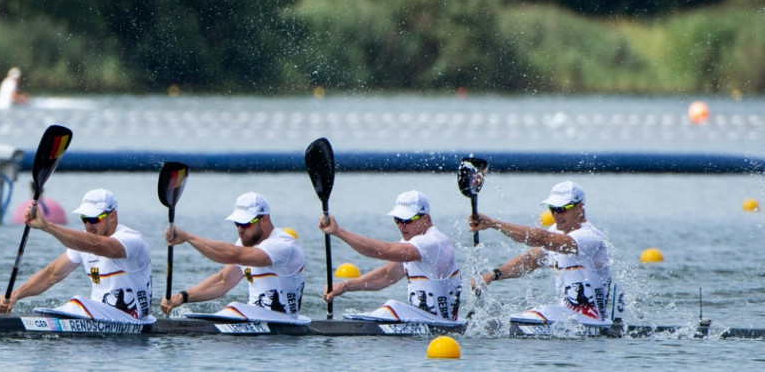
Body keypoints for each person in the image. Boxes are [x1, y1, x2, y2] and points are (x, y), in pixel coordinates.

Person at [0, 188, 154, 323]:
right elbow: (52, 274)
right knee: (46, 311)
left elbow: (96, 245)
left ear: (112, 216)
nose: (88, 225)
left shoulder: (132, 240)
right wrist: (15, 295)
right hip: (100, 321)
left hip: (134, 321)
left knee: (77, 302)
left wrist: (46, 226)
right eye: (84, 219)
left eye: (94, 219)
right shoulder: (83, 242)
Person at [468, 181, 613, 325]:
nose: (556, 214)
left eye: (563, 208)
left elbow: (540, 238)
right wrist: (493, 274)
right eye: (553, 208)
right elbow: (530, 260)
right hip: (567, 316)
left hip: (591, 318)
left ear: (580, 207)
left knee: (523, 316)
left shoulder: (589, 236)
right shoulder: (555, 230)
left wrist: (494, 224)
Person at [319, 190, 462, 323]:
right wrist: (344, 286)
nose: (401, 225)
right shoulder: (412, 242)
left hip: (441, 325)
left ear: (425, 218)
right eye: (397, 220)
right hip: (427, 324)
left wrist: (339, 232)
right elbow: (387, 276)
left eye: (407, 220)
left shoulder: (433, 242)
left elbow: (384, 251)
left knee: (392, 306)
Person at [160, 192, 306, 321]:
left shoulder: (283, 245)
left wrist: (188, 237)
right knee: (232, 307)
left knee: (233, 306)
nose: (240, 230)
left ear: (264, 220)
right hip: (255, 322)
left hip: (284, 322)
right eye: (237, 223)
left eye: (246, 224)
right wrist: (183, 296)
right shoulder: (246, 242)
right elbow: (224, 281)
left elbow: (233, 255)